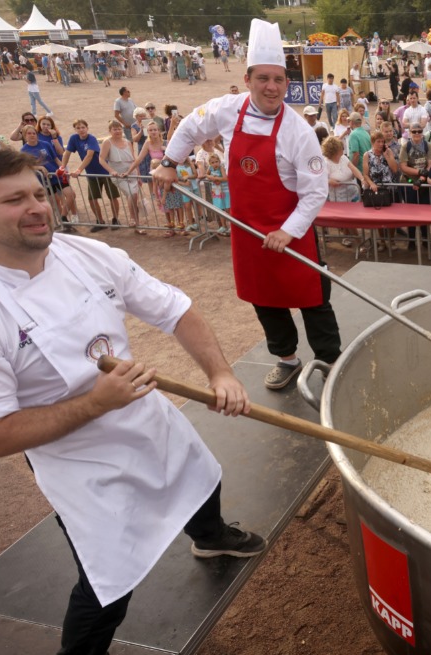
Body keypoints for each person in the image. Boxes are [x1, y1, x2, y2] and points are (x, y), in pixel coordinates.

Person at [0, 113, 265, 655]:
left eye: (39, 191)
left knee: (198, 473)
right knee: (108, 578)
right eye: (14, 200)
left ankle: (210, 535)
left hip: (143, 412)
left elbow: (175, 308)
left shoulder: (85, 254)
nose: (38, 206)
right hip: (78, 459)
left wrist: (221, 373)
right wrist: (94, 404)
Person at [157, 19, 341, 391]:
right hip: (247, 231)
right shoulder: (225, 109)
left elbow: (315, 192)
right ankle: (287, 359)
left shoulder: (299, 132)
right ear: (247, 79)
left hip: (292, 229)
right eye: (263, 79)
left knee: (313, 299)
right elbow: (190, 128)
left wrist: (287, 232)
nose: (271, 87)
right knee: (264, 300)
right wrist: (168, 163)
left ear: (286, 83)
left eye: (278, 80)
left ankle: (332, 362)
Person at [62, 119, 121, 231]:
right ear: (75, 129)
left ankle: (115, 219)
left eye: (83, 127)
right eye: (78, 128)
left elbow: (89, 155)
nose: (81, 130)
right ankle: (100, 221)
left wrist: (79, 170)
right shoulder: (73, 138)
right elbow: (67, 153)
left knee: (112, 196)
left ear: (87, 128)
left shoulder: (92, 138)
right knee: (92, 199)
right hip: (92, 173)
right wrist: (62, 167)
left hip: (105, 171)